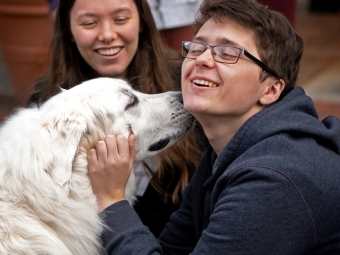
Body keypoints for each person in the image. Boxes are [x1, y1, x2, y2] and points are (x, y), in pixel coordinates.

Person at [88, 0, 340, 254]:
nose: (203, 60)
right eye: (197, 47)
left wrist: (112, 201)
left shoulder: (275, 179)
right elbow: (172, 249)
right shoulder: (225, 151)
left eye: (228, 53)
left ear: (271, 89)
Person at [28, 0, 207, 238]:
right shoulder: (46, 103)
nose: (107, 35)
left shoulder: (187, 81)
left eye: (121, 19)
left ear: (142, 21)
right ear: (68, 30)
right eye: (89, 23)